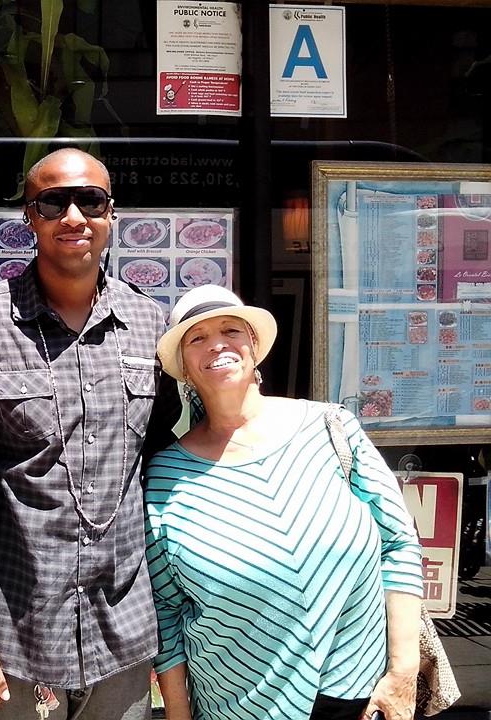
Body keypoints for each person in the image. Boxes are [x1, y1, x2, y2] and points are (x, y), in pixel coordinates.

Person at [0, 148, 178, 719]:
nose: (74, 217)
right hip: (16, 628)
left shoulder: (151, 324)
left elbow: (165, 456)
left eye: (90, 201)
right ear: (30, 217)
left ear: (111, 213)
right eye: (53, 203)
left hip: (123, 626)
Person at [145, 284, 423, 720]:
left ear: (254, 346)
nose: (217, 344)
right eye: (197, 337)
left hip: (358, 693)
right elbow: (166, 608)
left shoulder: (332, 428)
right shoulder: (166, 474)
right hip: (236, 704)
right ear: (184, 369)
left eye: (231, 330)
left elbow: (399, 543)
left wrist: (404, 672)